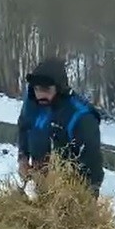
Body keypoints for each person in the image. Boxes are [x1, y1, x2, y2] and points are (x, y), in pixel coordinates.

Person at [16, 57, 104, 195]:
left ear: (59, 88)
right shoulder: (32, 101)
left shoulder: (80, 117)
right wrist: (23, 157)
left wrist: (83, 200)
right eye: (37, 89)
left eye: (46, 90)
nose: (40, 95)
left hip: (67, 191)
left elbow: (92, 169)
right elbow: (24, 126)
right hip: (38, 181)